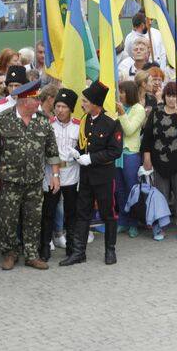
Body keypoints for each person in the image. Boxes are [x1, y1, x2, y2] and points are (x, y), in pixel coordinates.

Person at [0, 80, 60, 271]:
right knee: (8, 218)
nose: (39, 103)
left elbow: (52, 151)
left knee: (33, 218)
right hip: (9, 181)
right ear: (25, 101)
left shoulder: (42, 120)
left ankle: (31, 254)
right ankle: (10, 253)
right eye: (36, 99)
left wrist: (55, 175)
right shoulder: (3, 119)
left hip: (34, 181)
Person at [60, 81, 123, 266]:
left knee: (108, 213)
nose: (82, 104)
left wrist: (92, 158)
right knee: (82, 213)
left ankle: (110, 250)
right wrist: (77, 153)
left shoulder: (111, 122)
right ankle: (79, 252)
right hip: (86, 176)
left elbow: (115, 151)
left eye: (85, 101)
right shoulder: (85, 120)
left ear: (96, 103)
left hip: (103, 177)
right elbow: (84, 144)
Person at [142, 82, 177, 240]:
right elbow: (148, 136)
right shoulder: (156, 111)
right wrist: (147, 157)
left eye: (175, 96)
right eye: (169, 95)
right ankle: (160, 227)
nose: (172, 99)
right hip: (159, 160)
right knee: (160, 195)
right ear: (164, 96)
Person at [40, 88, 80, 261]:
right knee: (48, 211)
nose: (60, 110)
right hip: (51, 173)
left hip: (71, 172)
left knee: (71, 212)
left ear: (71, 109)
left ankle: (72, 248)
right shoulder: (48, 124)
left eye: (64, 107)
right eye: (57, 106)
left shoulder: (79, 126)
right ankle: (44, 246)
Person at [114, 81, 147, 238]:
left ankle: (134, 222)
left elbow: (129, 130)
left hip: (130, 154)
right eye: (119, 91)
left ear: (130, 93)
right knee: (119, 189)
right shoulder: (118, 107)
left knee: (132, 189)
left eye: (122, 92)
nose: (120, 95)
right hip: (117, 154)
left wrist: (121, 113)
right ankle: (122, 220)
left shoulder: (138, 109)